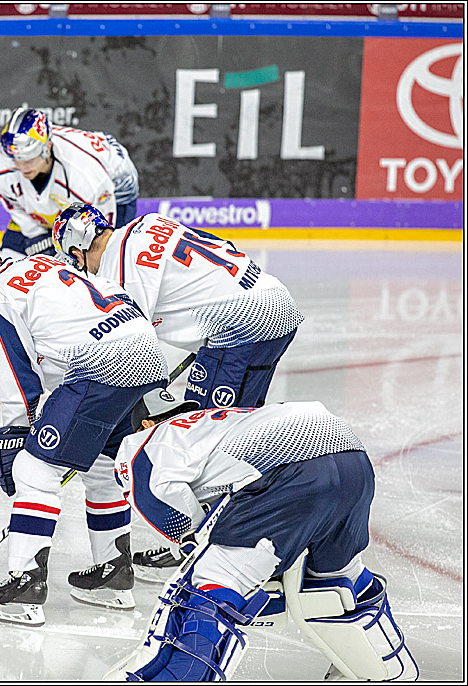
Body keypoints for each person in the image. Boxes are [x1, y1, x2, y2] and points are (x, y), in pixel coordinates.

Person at [53, 203, 305, 578]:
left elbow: (132, 347)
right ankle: (256, 535)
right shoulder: (147, 225)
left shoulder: (118, 268)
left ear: (76, 251)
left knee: (203, 442)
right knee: (240, 436)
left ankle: (207, 549)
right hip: (275, 304)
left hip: (239, 329)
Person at [109, 388, 418, 681]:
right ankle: (388, 669)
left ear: (145, 423)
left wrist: (197, 541)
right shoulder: (217, 420)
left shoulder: (141, 440)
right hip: (352, 458)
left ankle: (178, 676)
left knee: (210, 581)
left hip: (289, 468)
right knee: (338, 577)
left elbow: (159, 497)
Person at [0, 237, 169, 626]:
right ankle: (114, 577)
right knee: (101, 466)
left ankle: (25, 585)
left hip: (103, 364)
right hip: (144, 351)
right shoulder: (45, 266)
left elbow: (16, 375)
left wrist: (13, 434)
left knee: (34, 471)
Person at [0, 107, 140, 391]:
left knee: (107, 270)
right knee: (2, 276)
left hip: (115, 184)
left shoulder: (87, 177)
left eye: (31, 155)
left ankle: (115, 342)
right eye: (17, 157)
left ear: (48, 146)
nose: (23, 164)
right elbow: (26, 218)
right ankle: (2, 354)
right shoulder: (1, 165)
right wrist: (38, 244)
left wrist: (63, 258)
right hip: (57, 197)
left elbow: (98, 244)